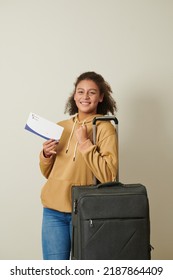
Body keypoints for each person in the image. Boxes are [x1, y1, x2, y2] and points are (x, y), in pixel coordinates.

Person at [39, 71, 118, 260]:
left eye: (92, 92)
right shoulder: (61, 126)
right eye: (80, 92)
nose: (85, 97)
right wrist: (46, 155)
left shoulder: (105, 128)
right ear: (74, 96)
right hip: (53, 211)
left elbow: (109, 175)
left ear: (100, 97)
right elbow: (47, 173)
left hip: (86, 211)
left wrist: (85, 143)